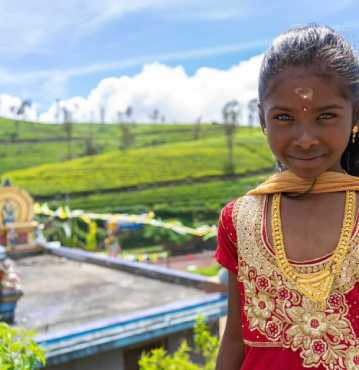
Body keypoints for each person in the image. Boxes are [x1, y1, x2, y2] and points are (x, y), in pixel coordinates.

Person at [215, 24, 359, 370]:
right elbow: (235, 338)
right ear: (263, 121)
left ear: (355, 117)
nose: (305, 138)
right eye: (284, 117)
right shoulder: (240, 221)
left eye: (326, 116)